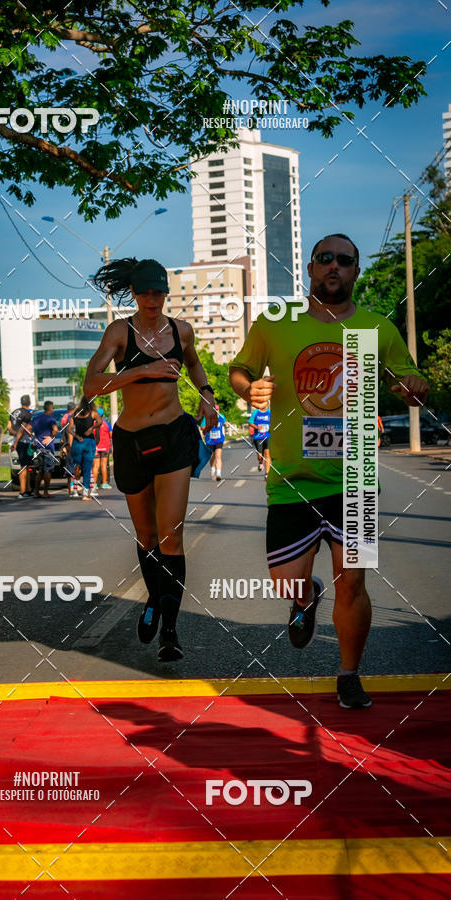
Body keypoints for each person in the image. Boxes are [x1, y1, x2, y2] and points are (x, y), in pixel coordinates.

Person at [229, 233, 429, 709]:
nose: (334, 266)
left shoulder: (375, 328)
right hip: (293, 480)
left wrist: (413, 388)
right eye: (325, 259)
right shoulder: (276, 323)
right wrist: (248, 387)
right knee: (287, 580)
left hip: (355, 475)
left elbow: (409, 384)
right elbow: (240, 370)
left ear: (356, 271)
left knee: (354, 580)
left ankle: (348, 674)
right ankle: (304, 599)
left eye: (344, 260)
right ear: (311, 269)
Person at [84, 257, 217, 661]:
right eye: (144, 293)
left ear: (165, 293)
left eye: (158, 292)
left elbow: (192, 362)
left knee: (171, 534)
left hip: (174, 434)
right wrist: (139, 373)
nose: (152, 299)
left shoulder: (182, 331)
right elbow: (91, 385)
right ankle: (156, 599)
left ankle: (171, 632)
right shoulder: (118, 332)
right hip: (131, 441)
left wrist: (207, 394)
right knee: (147, 537)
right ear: (135, 294)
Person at [67, 397, 102, 501]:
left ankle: (75, 485)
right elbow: (100, 422)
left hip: (78, 442)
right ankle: (85, 494)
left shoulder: (75, 413)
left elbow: (69, 428)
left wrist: (77, 436)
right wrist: (92, 428)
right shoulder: (93, 413)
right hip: (89, 442)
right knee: (87, 468)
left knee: (76, 464)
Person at [31, 401, 59, 498]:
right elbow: (55, 430)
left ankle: (36, 492)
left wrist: (33, 438)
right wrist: (51, 437)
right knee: (48, 470)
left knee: (41, 470)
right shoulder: (51, 419)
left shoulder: (36, 419)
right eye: (53, 408)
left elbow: (26, 428)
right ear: (50, 408)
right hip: (48, 447)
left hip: (39, 448)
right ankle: (46, 492)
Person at [10, 395, 34, 499]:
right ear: (29, 403)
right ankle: (22, 492)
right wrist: (18, 440)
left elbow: (9, 427)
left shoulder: (14, 412)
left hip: (19, 441)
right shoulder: (27, 414)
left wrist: (15, 436)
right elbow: (23, 429)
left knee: (27, 466)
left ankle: (28, 490)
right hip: (23, 442)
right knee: (24, 467)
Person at [199, 403, 226, 481]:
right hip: (210, 440)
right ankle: (213, 468)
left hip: (219, 439)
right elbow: (202, 427)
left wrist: (226, 424)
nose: (216, 411)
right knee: (212, 456)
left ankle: (219, 473)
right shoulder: (207, 417)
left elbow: (224, 422)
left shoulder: (221, 416)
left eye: (217, 409)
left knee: (218, 455)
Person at [91, 408, 113, 493]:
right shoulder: (107, 424)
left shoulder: (92, 424)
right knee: (104, 465)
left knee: (95, 466)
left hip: (95, 447)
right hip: (105, 447)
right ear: (103, 416)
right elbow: (111, 435)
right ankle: (104, 483)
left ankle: (95, 484)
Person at [248, 405, 271, 477]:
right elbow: (250, 422)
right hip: (258, 437)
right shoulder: (255, 412)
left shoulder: (269, 412)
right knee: (260, 456)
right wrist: (257, 427)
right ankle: (261, 462)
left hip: (267, 436)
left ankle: (267, 473)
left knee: (267, 454)